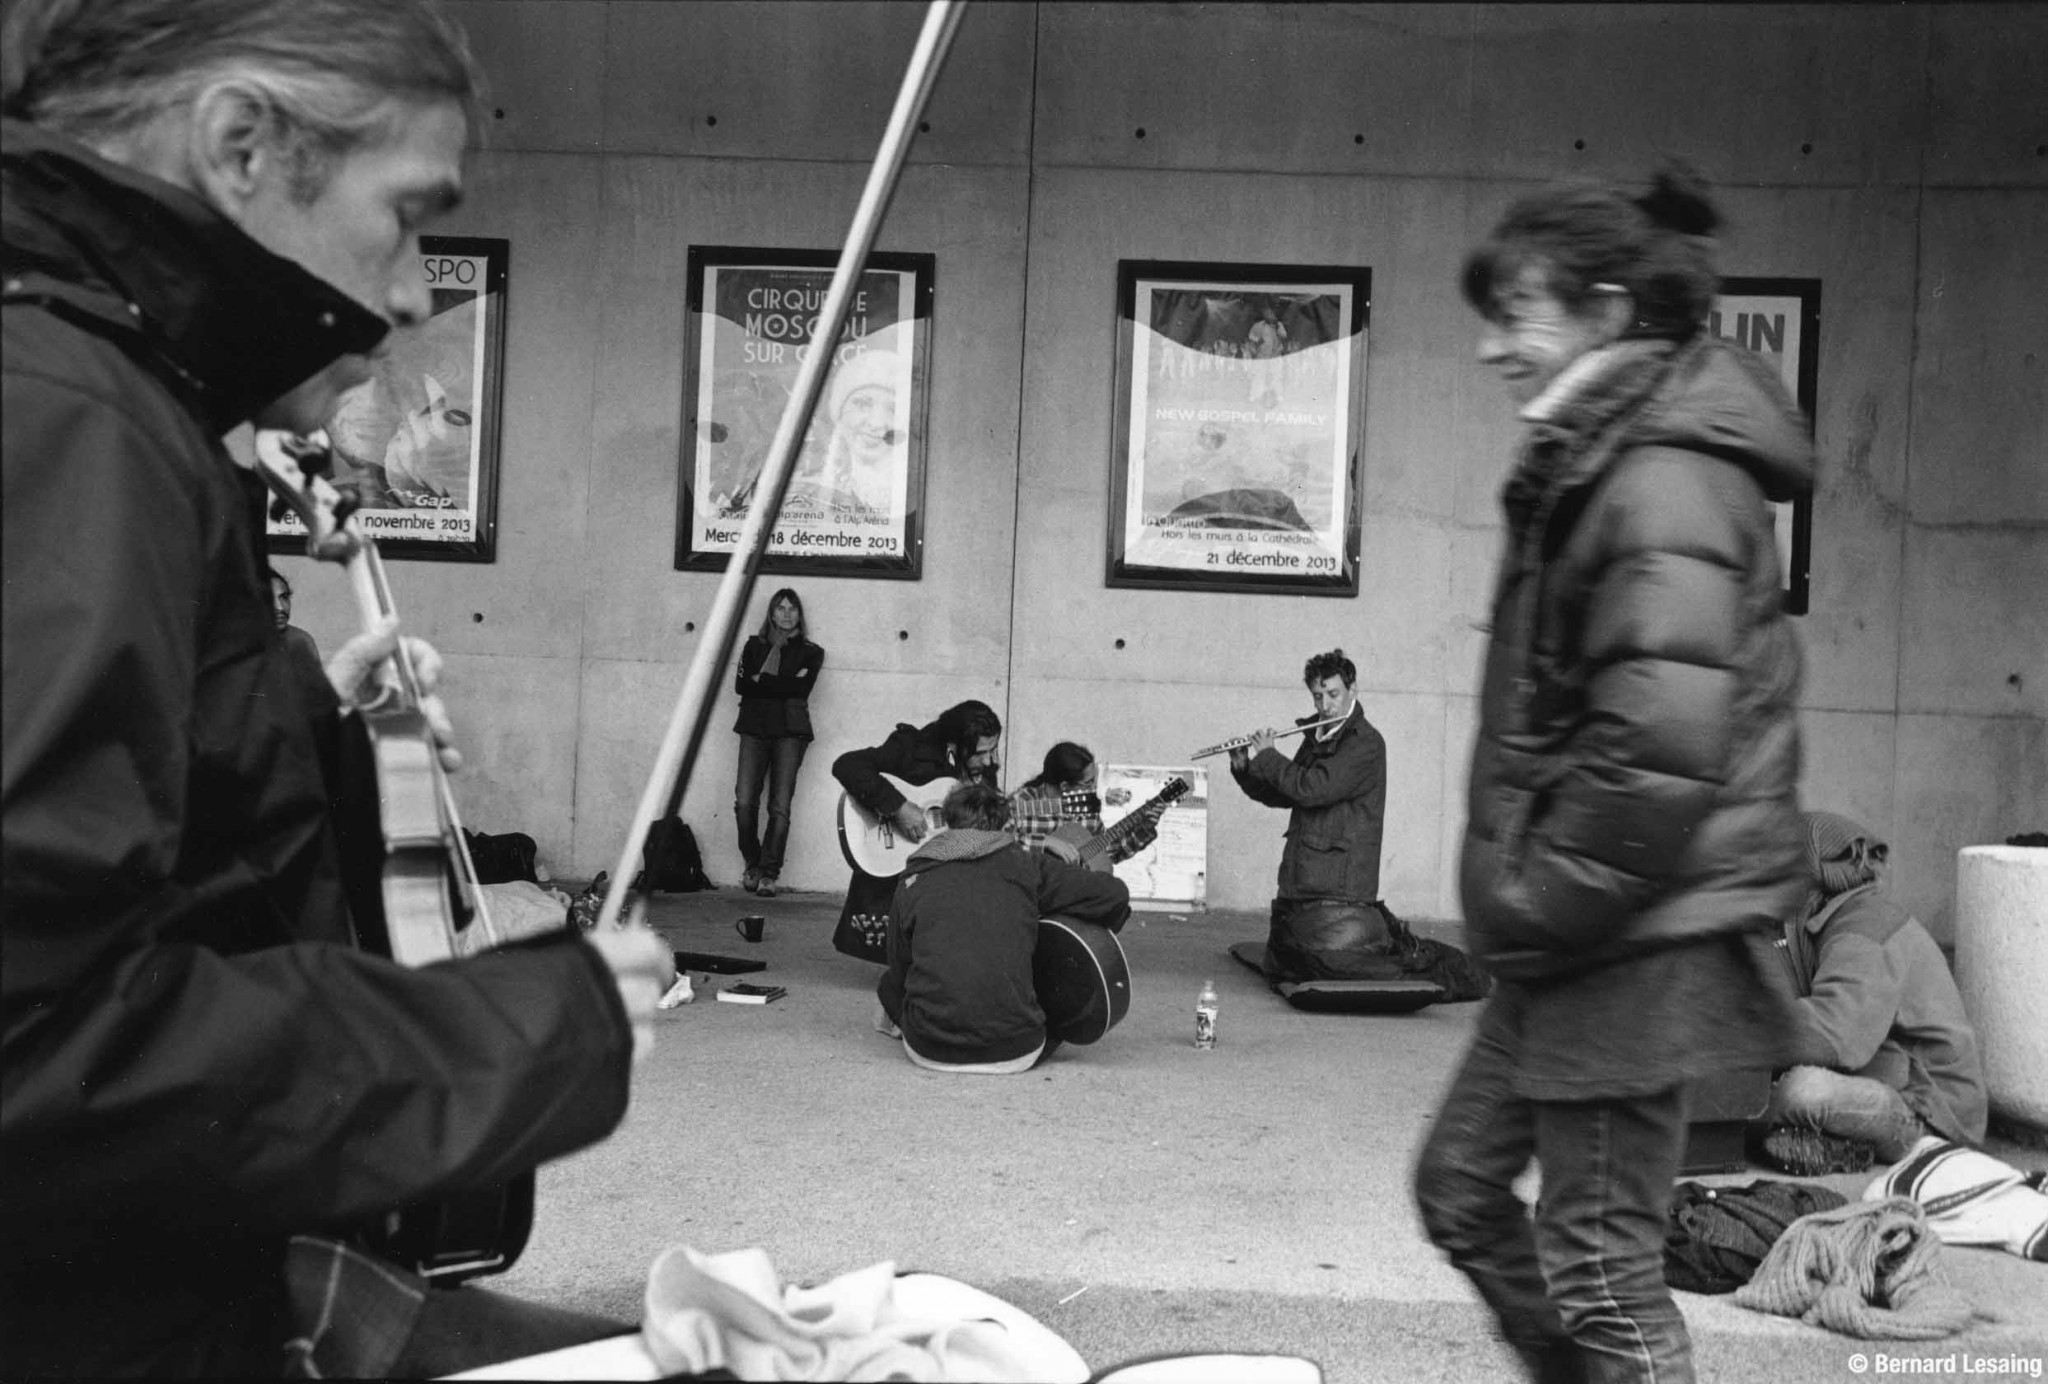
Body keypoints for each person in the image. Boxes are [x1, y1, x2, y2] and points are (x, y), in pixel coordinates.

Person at [1, 2, 674, 1376]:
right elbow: (38, 1043)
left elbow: (145, 840)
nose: (419, 288)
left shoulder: (96, 392)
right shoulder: (73, 413)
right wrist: (529, 1027)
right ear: (242, 143)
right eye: (409, 213)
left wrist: (316, 715)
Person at [1412, 163, 1813, 1384]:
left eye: (1514, 313)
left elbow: (1658, 746)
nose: (1490, 348)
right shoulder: (1605, 452)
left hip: (1626, 931)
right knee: (1458, 1189)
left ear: (1601, 309)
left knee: (1595, 1269)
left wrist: (1533, 900)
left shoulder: (1658, 472)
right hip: (1587, 925)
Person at [1754, 811, 1988, 1177]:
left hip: (1929, 1115)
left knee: (1799, 1092)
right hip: (1881, 1081)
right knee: (1759, 1095)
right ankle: (1833, 1142)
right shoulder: (1816, 923)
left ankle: (1817, 1137)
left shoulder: (1866, 926)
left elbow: (1836, 1036)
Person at [875, 781, 1131, 1072]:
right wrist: (1063, 934)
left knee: (888, 984)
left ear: (948, 821)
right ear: (1003, 824)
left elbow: (899, 963)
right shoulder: (1024, 863)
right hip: (1016, 1051)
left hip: (928, 1049)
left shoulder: (913, 874)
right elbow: (1114, 896)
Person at [1228, 649, 1392, 981]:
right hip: (1306, 878)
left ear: (1352, 691)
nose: (1325, 706)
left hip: (1339, 885)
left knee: (1310, 965)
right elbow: (1285, 792)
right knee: (1289, 961)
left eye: (1333, 694)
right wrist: (1245, 768)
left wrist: (1270, 755)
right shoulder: (1319, 735)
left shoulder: (1365, 744)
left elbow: (1312, 788)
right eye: (1318, 697)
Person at [829, 699, 1001, 962]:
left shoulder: (984, 767)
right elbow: (847, 764)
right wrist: (898, 807)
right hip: (907, 868)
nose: (991, 760)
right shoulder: (910, 747)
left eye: (994, 749)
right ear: (954, 747)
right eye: (980, 752)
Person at [732, 587, 825, 897]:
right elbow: (741, 685)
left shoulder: (812, 652)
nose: (786, 614)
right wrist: (782, 682)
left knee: (779, 807)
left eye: (792, 608)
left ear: (800, 614)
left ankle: (769, 874)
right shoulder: (753, 647)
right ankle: (753, 863)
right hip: (753, 729)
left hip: (790, 731)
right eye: (780, 608)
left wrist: (764, 681)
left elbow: (800, 690)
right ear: (771, 613)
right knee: (745, 803)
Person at [1007, 740, 1161, 869]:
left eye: (1094, 781)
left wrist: (1145, 827)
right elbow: (997, 843)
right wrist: (1045, 842)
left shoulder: (1088, 809)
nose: (1093, 788)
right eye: (1087, 783)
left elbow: (1107, 854)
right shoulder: (1022, 802)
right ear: (1065, 787)